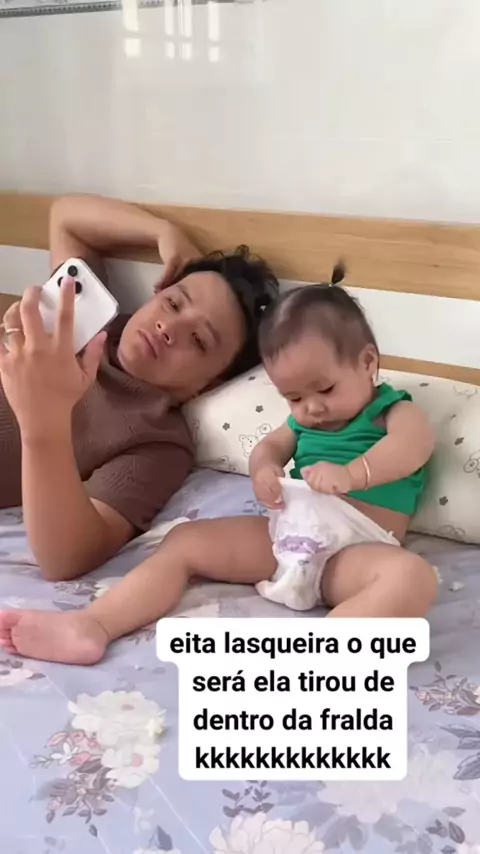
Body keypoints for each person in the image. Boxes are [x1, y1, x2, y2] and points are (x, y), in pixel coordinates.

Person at [0, 263, 439, 665]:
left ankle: (312, 661)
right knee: (185, 542)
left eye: (324, 389)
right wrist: (263, 471)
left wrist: (352, 475)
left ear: (367, 363)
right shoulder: (302, 421)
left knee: (412, 579)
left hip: (355, 548)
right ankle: (94, 624)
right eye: (294, 397)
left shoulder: (392, 411)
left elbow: (411, 448)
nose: (311, 408)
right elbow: (270, 447)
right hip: (288, 536)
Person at [0, 194, 279, 582]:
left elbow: (68, 556)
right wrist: (164, 232)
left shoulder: (158, 441)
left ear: (207, 386)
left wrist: (41, 424)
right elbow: (67, 218)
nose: (169, 328)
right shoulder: (91, 319)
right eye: (174, 303)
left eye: (199, 340)